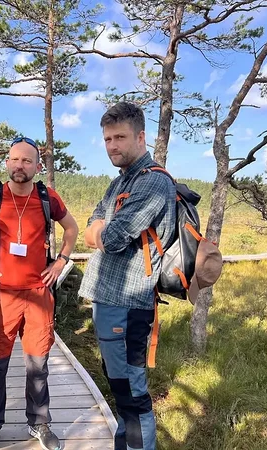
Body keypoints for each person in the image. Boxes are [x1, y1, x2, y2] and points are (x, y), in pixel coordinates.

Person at [0, 137, 79, 450]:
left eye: (26, 161)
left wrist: (61, 261)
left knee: (38, 367)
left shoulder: (48, 198)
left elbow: (72, 229)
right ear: (7, 162)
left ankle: (39, 423)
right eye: (14, 159)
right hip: (1, 297)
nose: (19, 165)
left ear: (37, 166)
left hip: (38, 296)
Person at [79, 102, 177, 450]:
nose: (112, 146)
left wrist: (99, 231)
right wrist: (99, 230)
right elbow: (92, 224)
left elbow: (112, 237)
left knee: (132, 393)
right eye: (107, 139)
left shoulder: (152, 183)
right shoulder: (120, 181)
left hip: (128, 304)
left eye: (119, 137)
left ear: (140, 136)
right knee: (120, 387)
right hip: (109, 299)